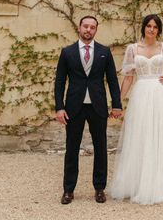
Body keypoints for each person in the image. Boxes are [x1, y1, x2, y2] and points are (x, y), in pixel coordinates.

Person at [110, 14, 163, 204]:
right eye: (148, 26)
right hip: (141, 94)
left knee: (159, 134)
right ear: (143, 28)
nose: (151, 29)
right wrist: (118, 102)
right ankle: (138, 181)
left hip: (160, 94)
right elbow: (129, 78)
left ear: (158, 30)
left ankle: (158, 181)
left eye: (155, 27)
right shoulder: (133, 49)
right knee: (140, 135)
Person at [54, 15, 123, 205]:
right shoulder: (67, 52)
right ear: (79, 28)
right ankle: (68, 190)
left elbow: (112, 80)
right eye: (86, 26)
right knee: (72, 148)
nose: (88, 30)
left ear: (96, 30)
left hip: (97, 106)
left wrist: (116, 104)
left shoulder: (104, 52)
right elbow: (60, 81)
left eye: (92, 27)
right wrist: (59, 107)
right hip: (73, 108)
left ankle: (99, 189)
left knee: (101, 148)